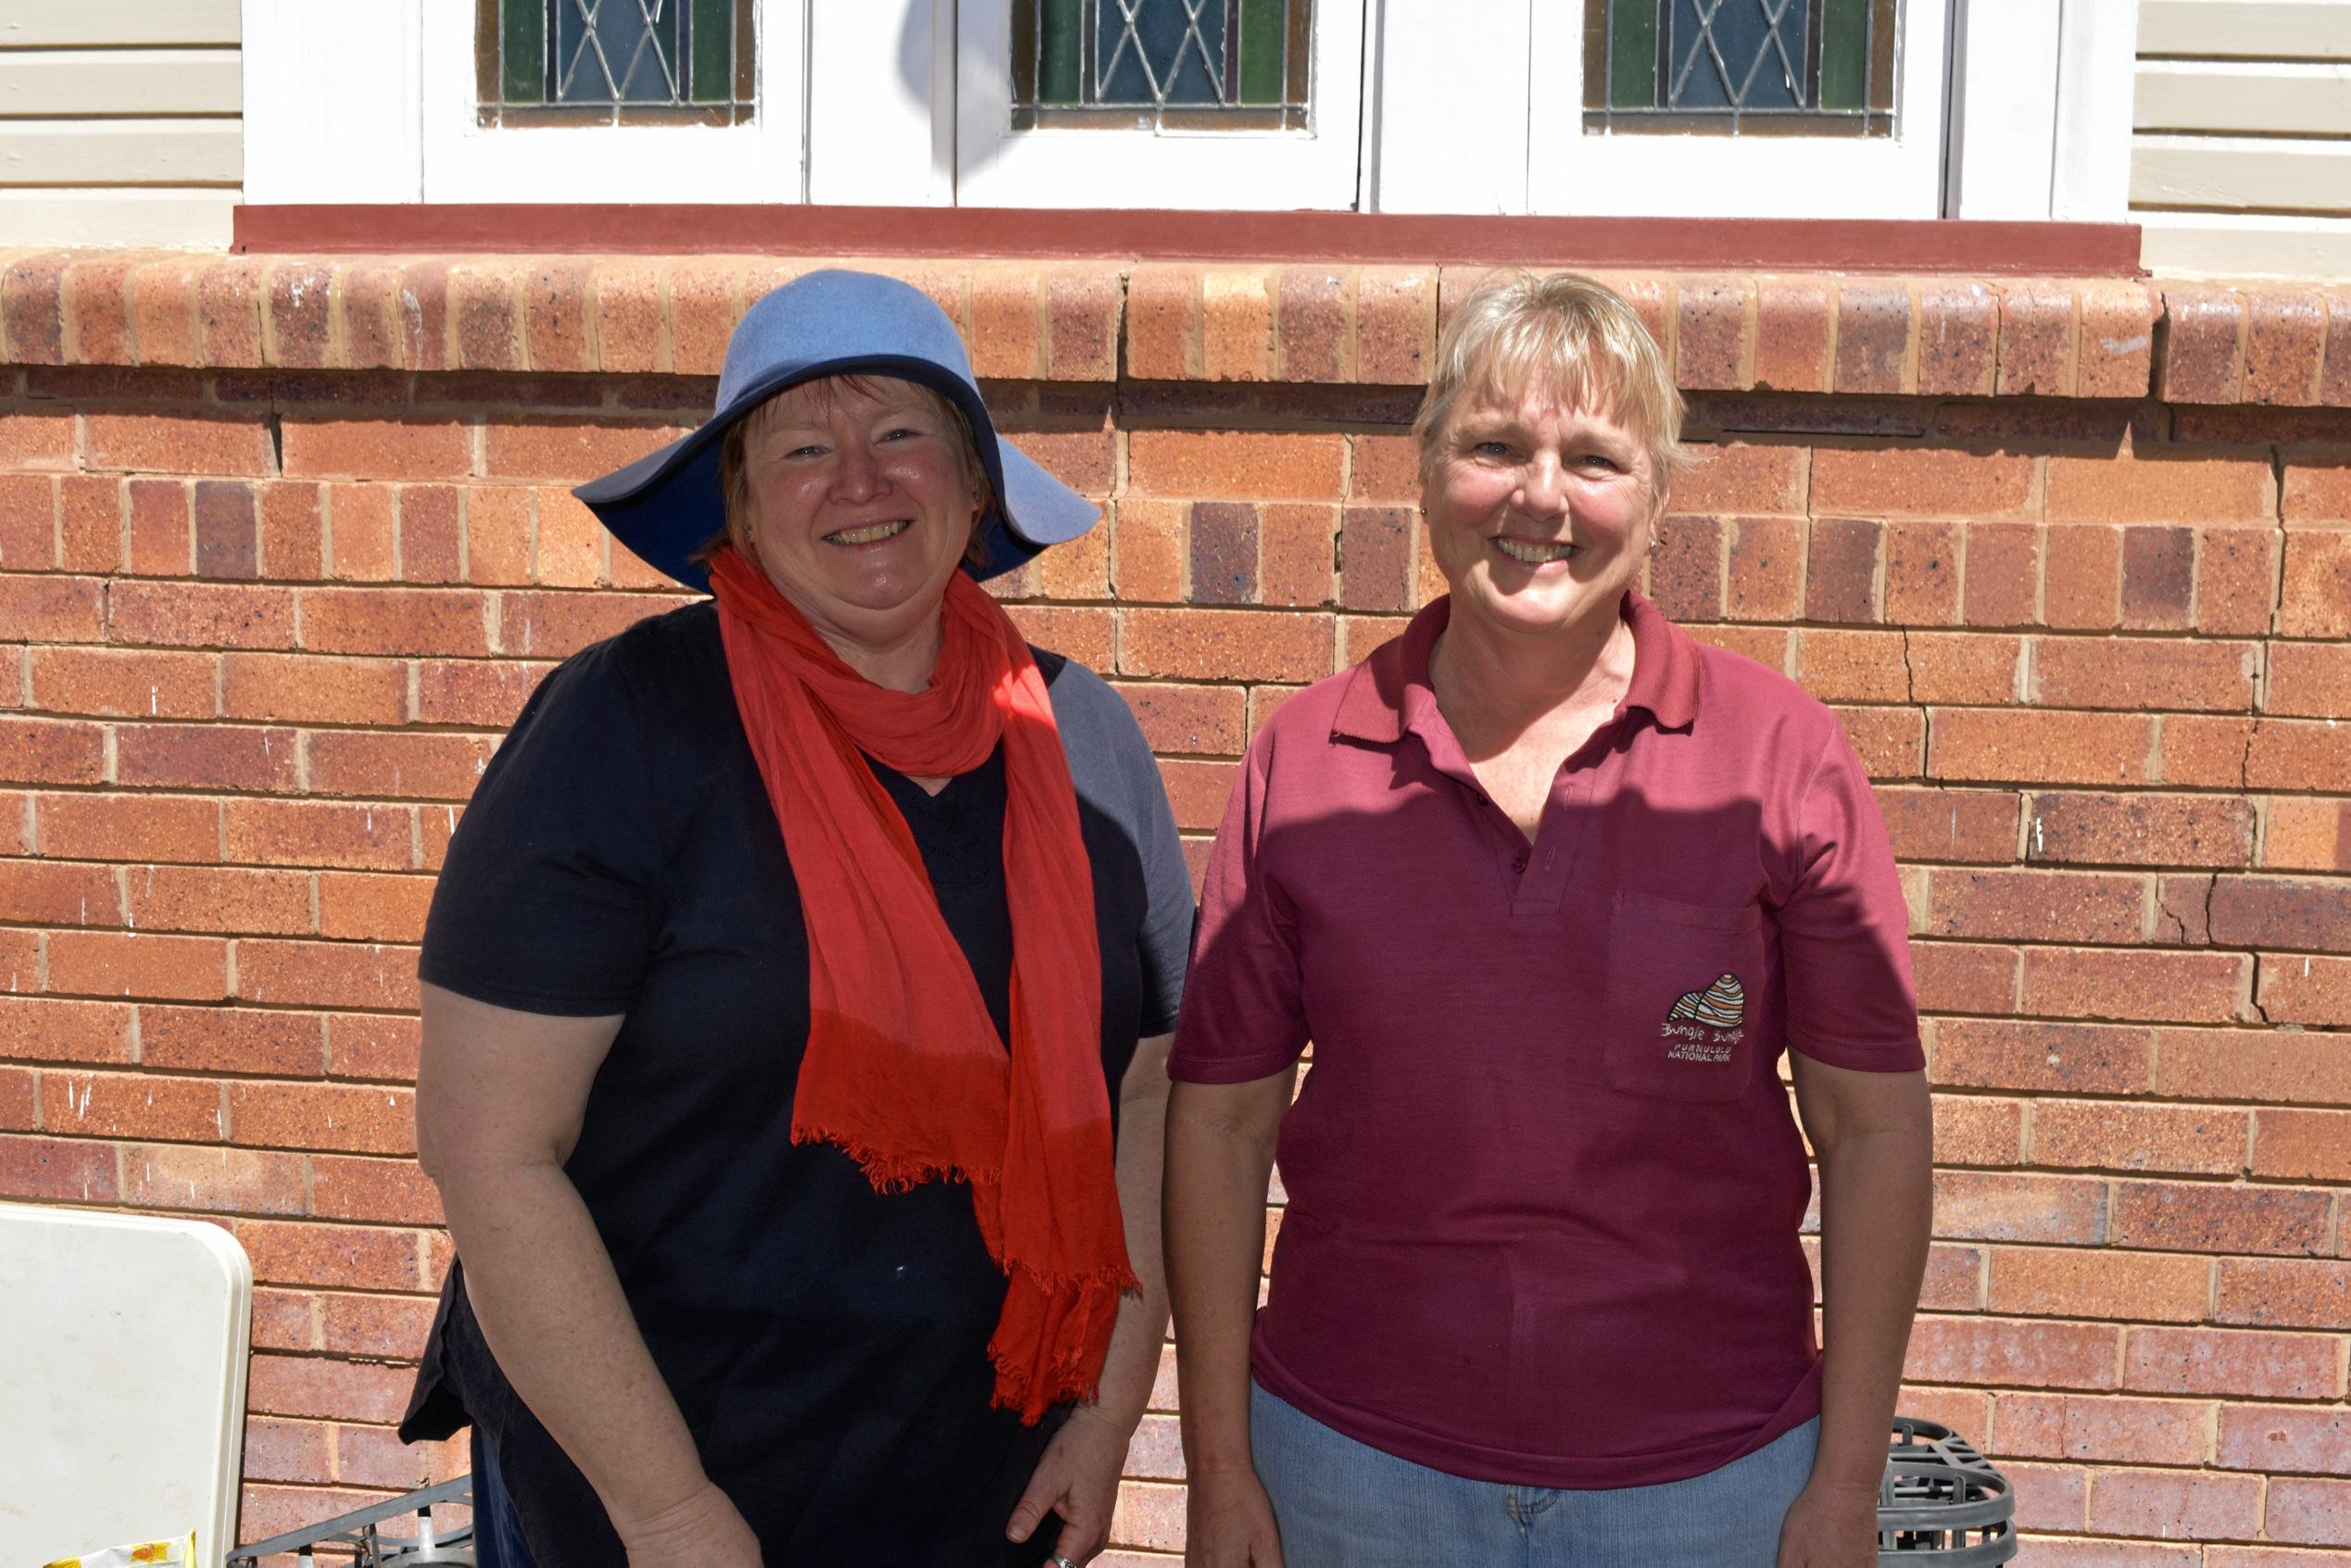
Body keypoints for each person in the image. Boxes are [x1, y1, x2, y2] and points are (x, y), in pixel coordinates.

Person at [396, 270, 1194, 1568]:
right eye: (804, 448)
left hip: (972, 1473)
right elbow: (490, 1152)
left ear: (975, 484)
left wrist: (1104, 1417)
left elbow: (1152, 1096)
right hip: (652, 1469)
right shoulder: (623, 729)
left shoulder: (1084, 737)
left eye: (901, 436)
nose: (860, 483)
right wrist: (665, 1511)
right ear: (741, 507)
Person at [1163, 272, 1932, 1568]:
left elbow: (1870, 1131)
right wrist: (1219, 1466)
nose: (1540, 498)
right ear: (1423, 475)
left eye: (1593, 457)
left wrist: (1842, 1482)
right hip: (1350, 1465)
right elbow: (1221, 1121)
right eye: (1493, 446)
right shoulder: (1303, 762)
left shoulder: (1776, 755)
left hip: (1706, 1482)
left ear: (1655, 497)